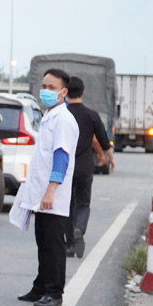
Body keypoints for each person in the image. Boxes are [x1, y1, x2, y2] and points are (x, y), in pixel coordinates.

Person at [13, 68, 79, 306]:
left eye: (52, 88)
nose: (46, 91)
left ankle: (54, 292)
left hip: (53, 193)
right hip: (41, 193)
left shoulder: (63, 119)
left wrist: (51, 190)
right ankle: (40, 287)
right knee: (43, 242)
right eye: (44, 86)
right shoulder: (50, 115)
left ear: (64, 92)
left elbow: (61, 156)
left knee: (53, 245)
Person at [65, 76, 115, 258]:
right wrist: (110, 158)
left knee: (68, 206)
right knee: (83, 204)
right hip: (85, 168)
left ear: (66, 92)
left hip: (65, 168)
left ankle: (69, 245)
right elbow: (103, 140)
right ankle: (80, 228)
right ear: (83, 92)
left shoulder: (62, 114)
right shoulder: (91, 115)